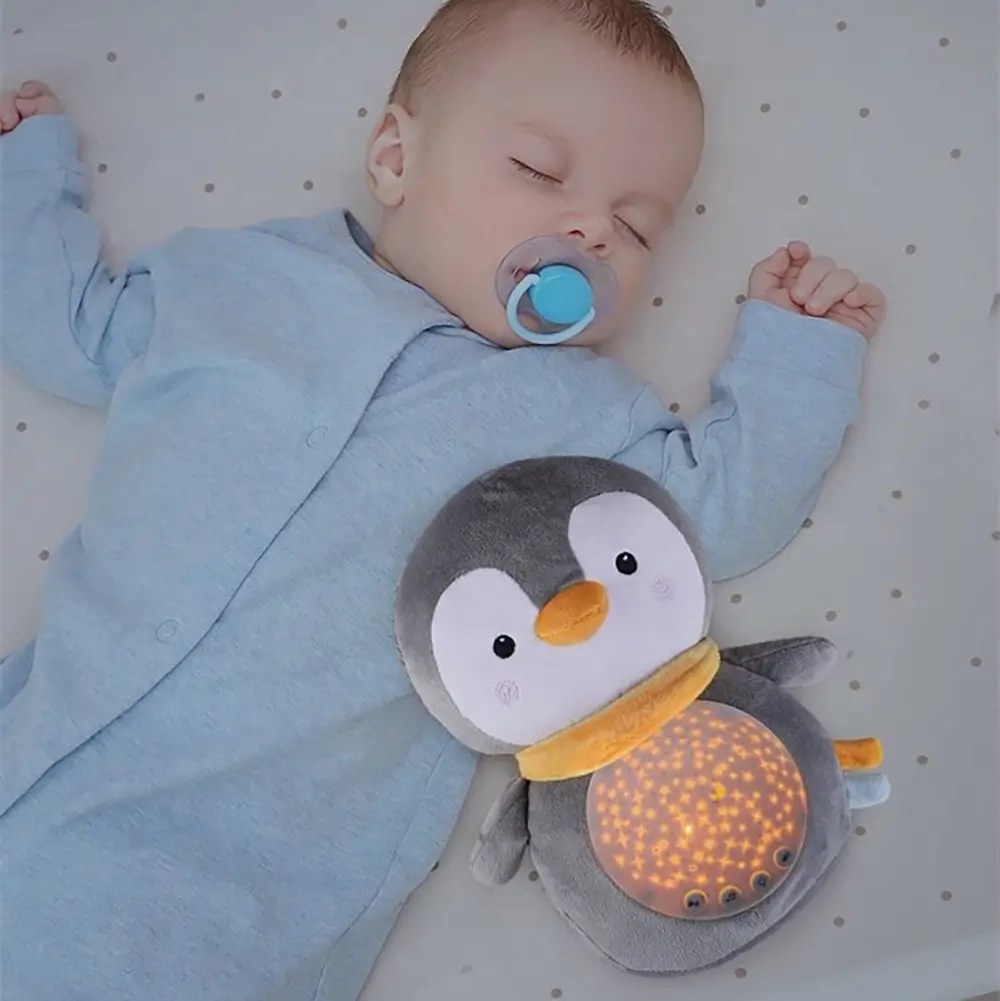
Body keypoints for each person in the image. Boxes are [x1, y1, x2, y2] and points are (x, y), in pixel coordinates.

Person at [0, 1, 885, 998]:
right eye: (539, 171)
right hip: (42, 737)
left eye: (636, 227)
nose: (592, 228)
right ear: (394, 158)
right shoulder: (240, 281)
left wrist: (797, 357)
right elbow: (71, 328)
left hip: (238, 886)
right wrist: (23, 174)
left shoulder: (578, 421)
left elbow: (719, 515)